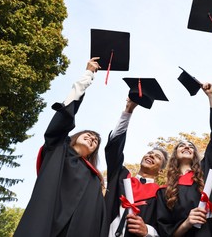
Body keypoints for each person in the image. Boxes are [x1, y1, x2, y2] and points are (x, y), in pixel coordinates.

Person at [14, 57, 108, 237]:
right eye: (87, 134)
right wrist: (87, 75)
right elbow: (64, 115)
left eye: (95, 141)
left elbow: (97, 216)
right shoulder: (58, 148)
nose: (92, 137)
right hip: (45, 222)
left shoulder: (95, 178)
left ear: (93, 153)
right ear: (74, 136)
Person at [156, 83, 212, 237]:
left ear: (195, 154)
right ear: (175, 154)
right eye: (181, 145)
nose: (187, 146)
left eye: (190, 146)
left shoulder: (207, 169)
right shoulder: (165, 192)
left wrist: (211, 97)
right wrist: (187, 223)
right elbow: (165, 231)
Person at [104, 98, 169, 237]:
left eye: (157, 157)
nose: (151, 155)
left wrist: (148, 231)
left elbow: (166, 228)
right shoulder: (121, 177)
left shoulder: (161, 194)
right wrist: (128, 111)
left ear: (161, 171)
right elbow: (114, 149)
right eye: (149, 153)